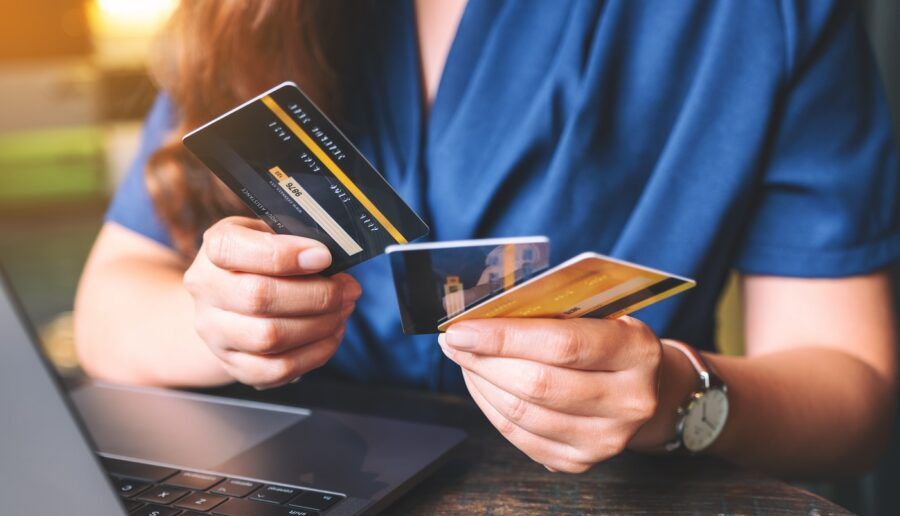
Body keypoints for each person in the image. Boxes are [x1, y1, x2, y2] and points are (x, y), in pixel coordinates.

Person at [75, 0, 900, 476]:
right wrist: (222, 321)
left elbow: (853, 390)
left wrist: (682, 397)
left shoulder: (761, 19)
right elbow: (111, 301)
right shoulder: (247, 12)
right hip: (288, 496)